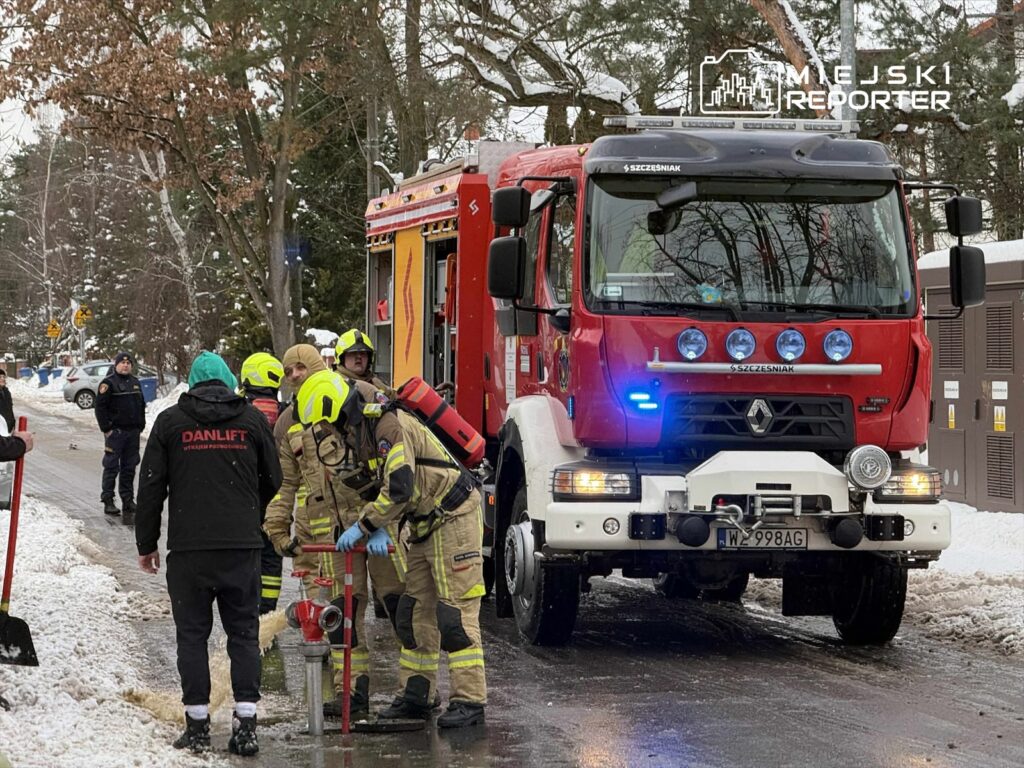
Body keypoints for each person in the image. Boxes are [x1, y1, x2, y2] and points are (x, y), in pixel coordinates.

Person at [297, 370, 486, 728]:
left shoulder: (386, 425)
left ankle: (470, 701)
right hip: (423, 523)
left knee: (454, 615)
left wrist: (366, 525)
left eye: (326, 422)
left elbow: (399, 486)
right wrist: (377, 522)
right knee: (414, 613)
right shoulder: (360, 430)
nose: (327, 431)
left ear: (336, 409)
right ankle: (417, 695)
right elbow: (375, 484)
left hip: (453, 515)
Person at [263, 344, 421, 719]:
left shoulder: (356, 400)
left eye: (302, 367)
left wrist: (381, 523)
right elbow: (285, 484)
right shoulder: (288, 423)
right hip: (330, 533)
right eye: (288, 371)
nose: (295, 375)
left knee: (400, 605)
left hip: (377, 521)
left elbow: (389, 463)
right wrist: (277, 526)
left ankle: (417, 689)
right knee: (341, 613)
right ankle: (351, 691)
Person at [135, 351, 281, 756]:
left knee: (192, 637)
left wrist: (146, 545)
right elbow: (275, 478)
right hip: (241, 547)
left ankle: (197, 726)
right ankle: (246, 724)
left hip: (189, 550)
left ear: (192, 381)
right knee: (244, 635)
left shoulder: (170, 422)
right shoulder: (251, 420)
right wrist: (249, 512)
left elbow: (150, 489)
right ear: (229, 380)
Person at [238, 352, 286, 615]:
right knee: (270, 555)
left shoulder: (239, 408)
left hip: (245, 494)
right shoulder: (284, 410)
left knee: (246, 554)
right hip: (275, 494)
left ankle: (245, 606)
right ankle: (267, 609)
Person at [95, 352, 145, 522]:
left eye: (128, 363)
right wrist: (107, 429)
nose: (125, 365)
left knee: (129, 467)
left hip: (132, 434)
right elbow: (100, 408)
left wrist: (140, 425)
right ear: (116, 365)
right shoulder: (108, 383)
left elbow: (141, 405)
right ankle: (108, 499)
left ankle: (128, 500)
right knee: (111, 466)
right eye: (122, 363)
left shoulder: (135, 383)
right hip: (116, 433)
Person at [334, 329, 395, 396]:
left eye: (363, 353)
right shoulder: (335, 383)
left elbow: (393, 398)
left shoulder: (375, 382)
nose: (359, 357)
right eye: (353, 353)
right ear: (342, 358)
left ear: (369, 358)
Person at [0, 369, 15, 433]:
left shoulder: (6, 392)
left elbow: (10, 410)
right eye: (0, 377)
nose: (3, 379)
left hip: (8, 428)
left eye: (3, 377)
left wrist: (13, 422)